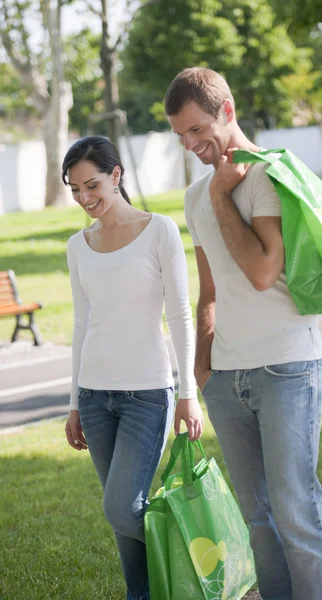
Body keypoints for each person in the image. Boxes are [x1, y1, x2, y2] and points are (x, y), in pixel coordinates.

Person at [165, 68, 322, 600]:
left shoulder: (268, 175)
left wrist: (224, 197)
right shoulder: (195, 196)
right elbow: (210, 291)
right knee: (258, 523)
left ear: (227, 111)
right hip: (227, 376)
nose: (192, 144)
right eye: (181, 136)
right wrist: (203, 367)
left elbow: (263, 270)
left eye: (198, 129)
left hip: (287, 368)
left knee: (296, 515)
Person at [62, 135, 203, 600]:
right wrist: (75, 402)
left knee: (122, 508)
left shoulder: (159, 230)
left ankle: (199, 559)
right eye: (75, 190)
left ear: (116, 175)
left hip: (148, 394)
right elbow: (83, 324)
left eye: (92, 185)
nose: (85, 198)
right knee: (124, 518)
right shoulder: (78, 246)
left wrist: (188, 393)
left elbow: (181, 314)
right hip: (95, 397)